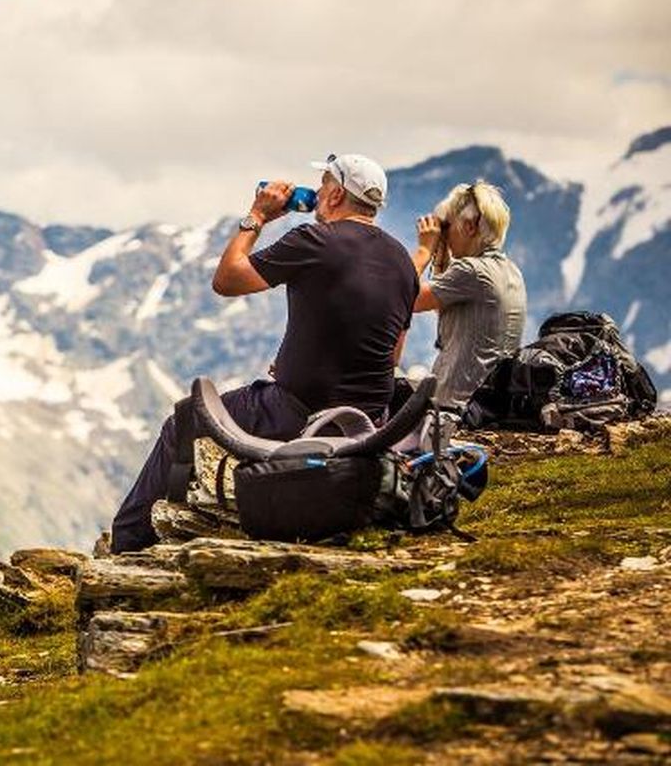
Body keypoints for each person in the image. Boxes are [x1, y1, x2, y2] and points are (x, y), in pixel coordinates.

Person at [110, 153, 419, 553]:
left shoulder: (315, 240)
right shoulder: (402, 261)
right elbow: (392, 356)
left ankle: (133, 546)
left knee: (182, 423)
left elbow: (227, 280)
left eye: (323, 185)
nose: (318, 194)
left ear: (337, 193)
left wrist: (257, 215)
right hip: (367, 421)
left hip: (297, 409)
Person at [412, 181, 527, 410]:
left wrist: (425, 250)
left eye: (447, 226)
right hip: (486, 405)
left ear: (469, 226)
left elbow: (404, 298)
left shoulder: (471, 271)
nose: (444, 234)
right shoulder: (510, 270)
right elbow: (441, 305)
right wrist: (442, 256)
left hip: (454, 406)